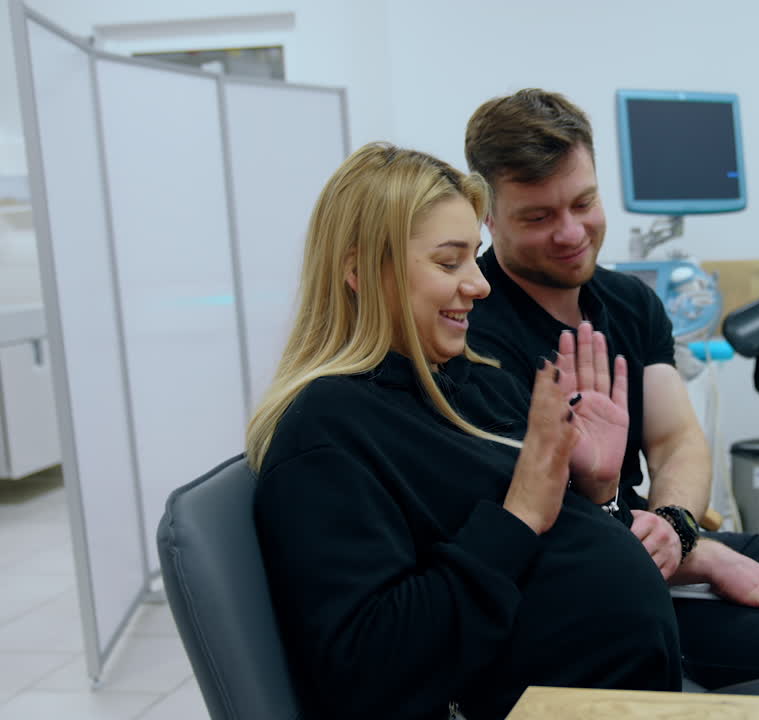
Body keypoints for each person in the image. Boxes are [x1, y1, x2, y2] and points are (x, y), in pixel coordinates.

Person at [463, 89, 759, 698]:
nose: (570, 233)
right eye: (538, 217)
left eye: (584, 203)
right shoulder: (474, 327)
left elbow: (677, 439)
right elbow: (529, 521)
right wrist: (697, 556)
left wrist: (677, 525)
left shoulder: (627, 302)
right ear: (488, 216)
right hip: (572, 582)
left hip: (649, 542)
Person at [247, 142, 682, 720]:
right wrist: (519, 512)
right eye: (449, 262)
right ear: (358, 270)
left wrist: (598, 490)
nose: (479, 285)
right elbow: (370, 665)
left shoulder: (467, 380)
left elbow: (551, 548)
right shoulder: (326, 430)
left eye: (474, 258)